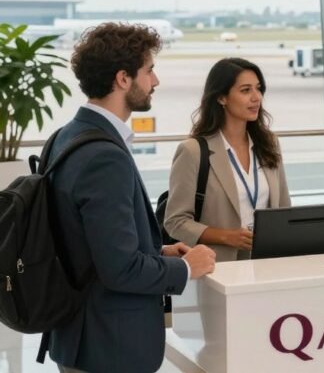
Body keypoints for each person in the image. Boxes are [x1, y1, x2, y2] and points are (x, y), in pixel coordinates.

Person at [47, 23, 216, 373]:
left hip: (78, 335)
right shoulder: (103, 157)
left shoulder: (64, 137)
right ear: (123, 79)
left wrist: (157, 250)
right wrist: (186, 267)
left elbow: (85, 242)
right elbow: (120, 270)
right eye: (149, 70)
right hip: (109, 347)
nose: (155, 81)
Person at [165, 58, 292, 262]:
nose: (256, 97)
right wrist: (227, 236)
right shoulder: (193, 151)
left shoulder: (269, 144)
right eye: (245, 90)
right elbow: (175, 221)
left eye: (258, 89)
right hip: (218, 266)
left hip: (267, 262)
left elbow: (285, 210)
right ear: (222, 97)